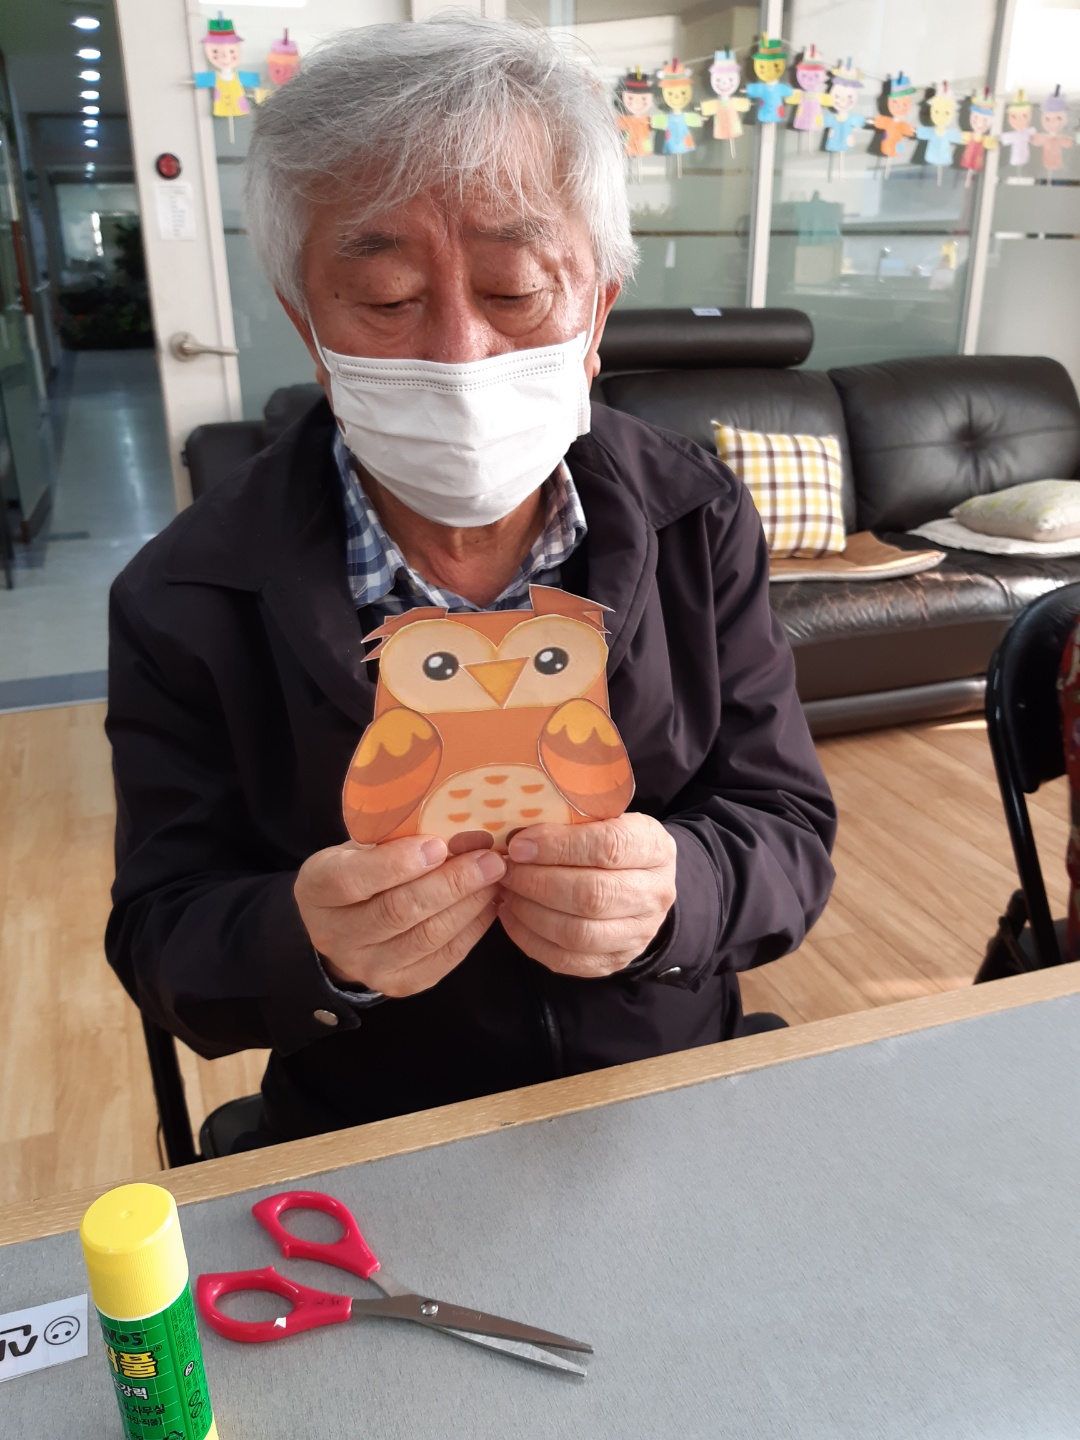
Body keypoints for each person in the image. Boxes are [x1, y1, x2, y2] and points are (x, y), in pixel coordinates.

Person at [106, 18, 836, 1145]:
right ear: (308, 326)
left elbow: (787, 825)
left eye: (516, 288)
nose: (459, 355)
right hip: (377, 1132)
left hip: (665, 1091)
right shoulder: (189, 597)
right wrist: (306, 943)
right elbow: (161, 933)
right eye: (386, 299)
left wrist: (679, 891)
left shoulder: (695, 518)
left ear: (597, 307)